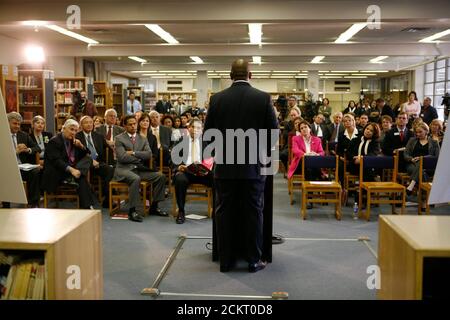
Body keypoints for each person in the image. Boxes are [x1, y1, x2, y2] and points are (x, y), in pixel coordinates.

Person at [204, 59, 278, 273]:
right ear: (250, 75)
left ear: (230, 75)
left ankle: (225, 261)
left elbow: (208, 135)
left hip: (225, 167)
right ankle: (254, 260)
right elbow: (272, 135)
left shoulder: (217, 99)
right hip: (253, 168)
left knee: (224, 212)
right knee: (254, 212)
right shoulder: (263, 98)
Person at [113, 115, 167, 222]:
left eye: (135, 124)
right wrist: (138, 158)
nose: (133, 126)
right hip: (124, 170)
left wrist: (133, 153)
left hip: (138, 169)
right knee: (135, 178)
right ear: (124, 126)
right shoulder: (119, 138)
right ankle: (133, 210)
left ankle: (154, 206)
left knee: (160, 176)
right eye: (130, 124)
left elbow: (148, 154)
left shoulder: (142, 139)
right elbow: (122, 157)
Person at [41, 119, 95, 209]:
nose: (73, 132)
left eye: (75, 130)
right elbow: (56, 161)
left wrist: (81, 146)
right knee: (81, 178)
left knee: (88, 159)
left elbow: (87, 154)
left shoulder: (73, 141)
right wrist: (71, 170)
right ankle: (87, 206)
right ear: (63, 128)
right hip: (57, 172)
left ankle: (74, 177)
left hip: (71, 170)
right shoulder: (54, 141)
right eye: (71, 129)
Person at [172, 118, 213, 224]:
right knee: (179, 178)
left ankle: (216, 209)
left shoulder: (206, 142)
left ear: (202, 130)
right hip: (186, 172)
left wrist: (209, 167)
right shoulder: (180, 141)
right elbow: (172, 157)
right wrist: (178, 166)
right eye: (193, 127)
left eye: (198, 128)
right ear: (188, 128)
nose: (195, 130)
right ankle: (181, 211)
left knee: (217, 177)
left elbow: (212, 158)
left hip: (202, 172)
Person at [2, 112, 41, 208]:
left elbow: (37, 148)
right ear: (7, 123)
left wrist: (27, 149)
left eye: (19, 124)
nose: (17, 126)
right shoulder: (2, 136)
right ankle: (6, 204)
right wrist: (15, 152)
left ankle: (33, 203)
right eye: (15, 123)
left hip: (22, 167)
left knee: (35, 172)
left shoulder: (23, 135)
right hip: (7, 168)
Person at [76, 116, 114, 208]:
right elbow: (77, 153)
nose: (89, 124)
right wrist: (90, 160)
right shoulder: (77, 137)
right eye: (86, 123)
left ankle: (106, 198)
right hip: (84, 164)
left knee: (110, 170)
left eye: (90, 122)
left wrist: (110, 162)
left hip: (98, 162)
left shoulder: (98, 136)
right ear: (81, 125)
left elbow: (108, 148)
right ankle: (90, 199)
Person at [287, 120, 325, 192]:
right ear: (300, 131)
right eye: (301, 128)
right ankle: (321, 180)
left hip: (313, 165)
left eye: (305, 127)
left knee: (310, 168)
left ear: (310, 128)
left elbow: (322, 152)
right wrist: (305, 154)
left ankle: (309, 191)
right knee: (308, 162)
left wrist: (317, 154)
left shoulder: (317, 140)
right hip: (300, 164)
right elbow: (295, 150)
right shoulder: (296, 138)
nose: (304, 129)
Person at [404, 122, 440, 196]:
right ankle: (425, 198)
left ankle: (411, 184)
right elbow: (406, 154)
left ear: (426, 131)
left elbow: (437, 157)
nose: (418, 134)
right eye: (416, 132)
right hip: (412, 164)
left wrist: (423, 158)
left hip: (428, 167)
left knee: (421, 165)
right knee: (422, 173)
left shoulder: (434, 142)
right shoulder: (412, 140)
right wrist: (411, 159)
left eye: (420, 132)